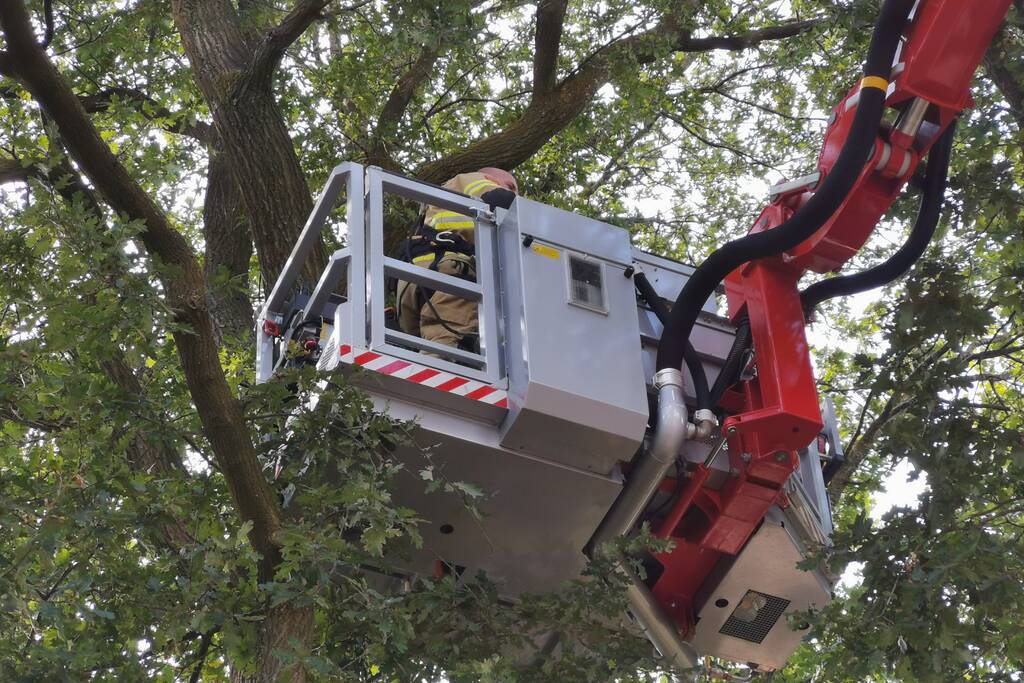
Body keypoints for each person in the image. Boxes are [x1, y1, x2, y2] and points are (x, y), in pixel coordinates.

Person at [397, 168, 518, 352]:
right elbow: (501, 201)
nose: (514, 192)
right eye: (512, 187)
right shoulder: (474, 179)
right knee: (442, 351)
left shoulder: (440, 204)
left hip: (413, 284)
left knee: (435, 351)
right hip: (449, 276)